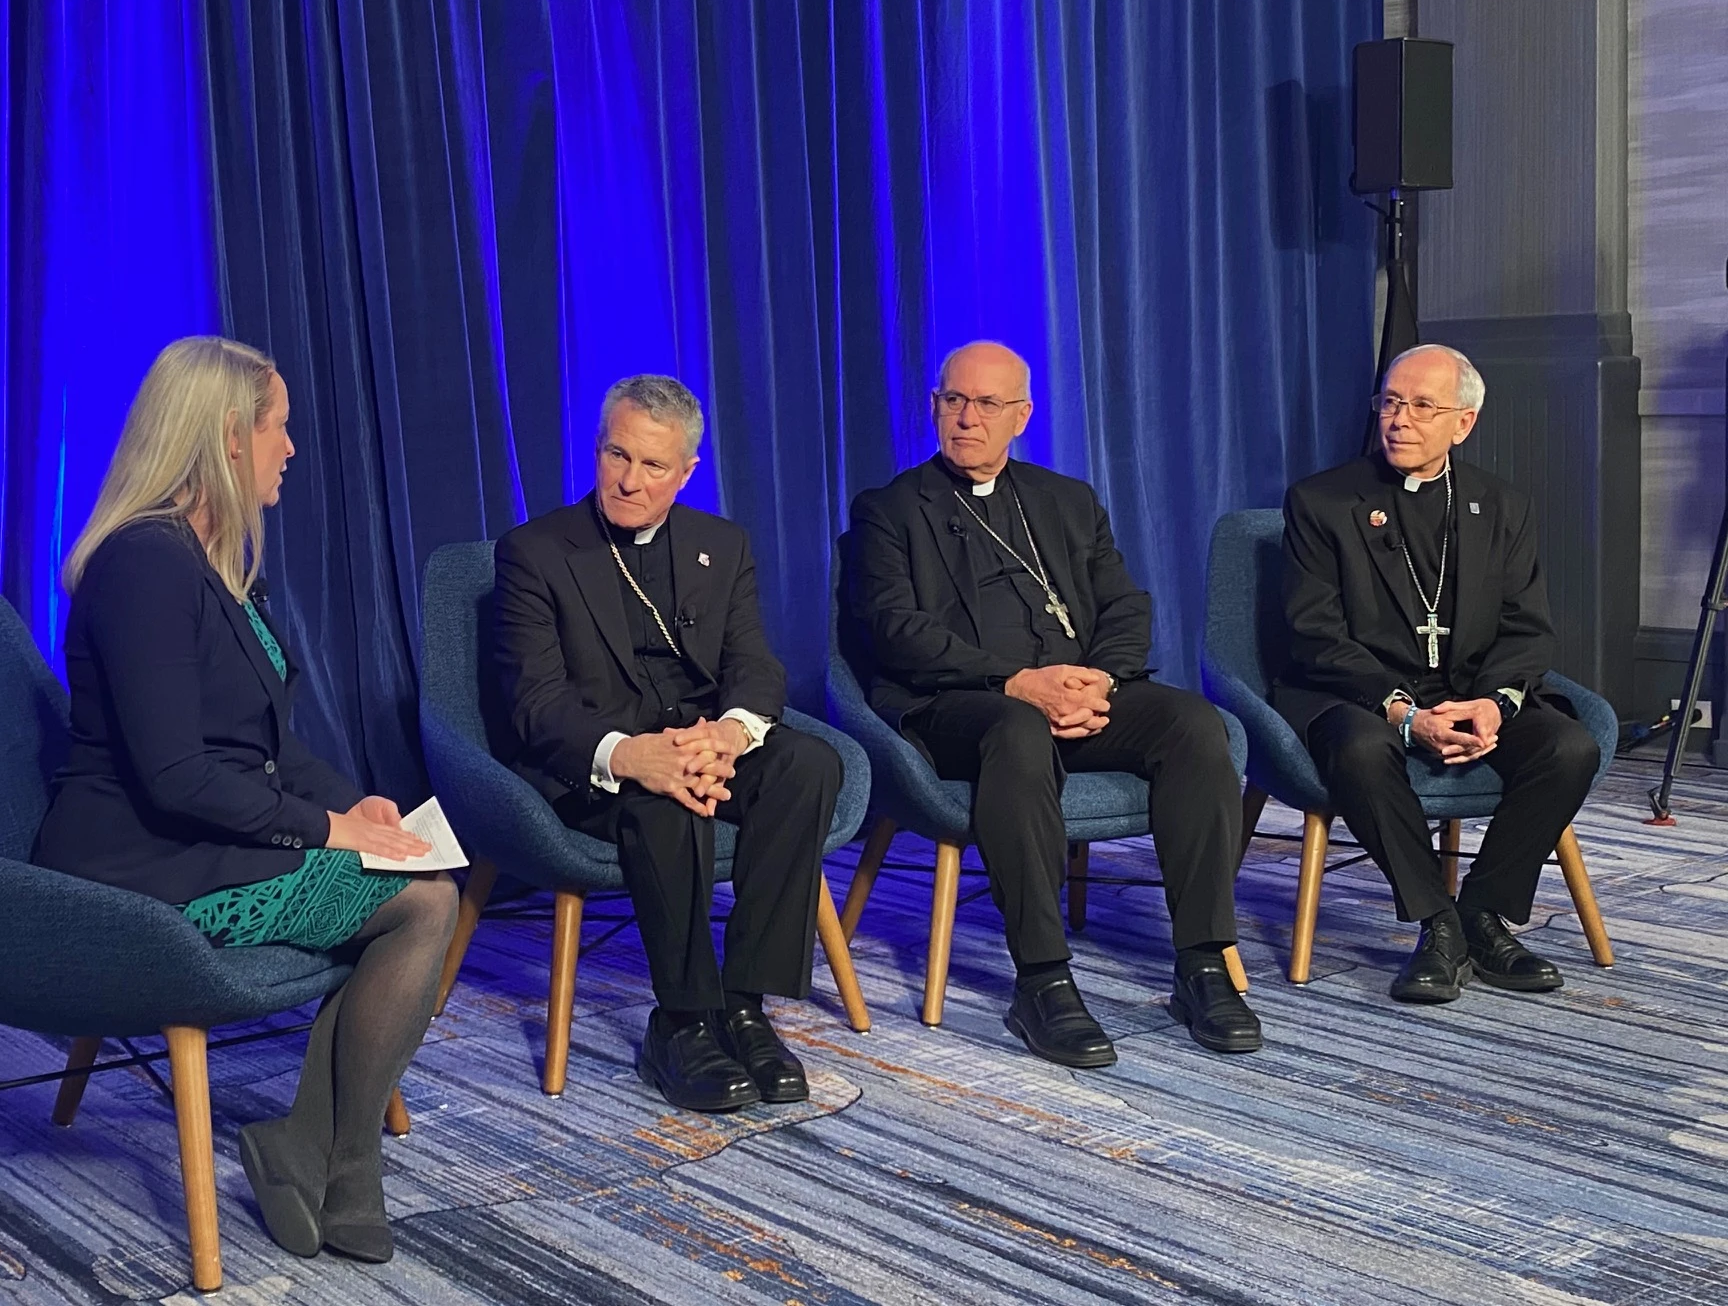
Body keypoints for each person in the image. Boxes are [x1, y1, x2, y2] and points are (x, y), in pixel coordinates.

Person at [32, 336, 456, 1265]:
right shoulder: (143, 565)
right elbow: (175, 776)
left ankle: (327, 1157)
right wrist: (327, 831)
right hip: (138, 861)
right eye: (280, 427)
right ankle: (338, 1159)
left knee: (413, 876)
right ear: (229, 437)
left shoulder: (211, 560)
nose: (292, 447)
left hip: (203, 835)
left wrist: (359, 810)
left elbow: (267, 747)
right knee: (423, 903)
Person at [847, 341, 1260, 1067]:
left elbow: (1125, 606)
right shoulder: (890, 510)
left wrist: (1099, 679)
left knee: (1194, 724)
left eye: (985, 405)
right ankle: (1041, 981)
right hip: (960, 708)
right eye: (952, 400)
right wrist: (1019, 682)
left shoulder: (1067, 500)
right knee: (1016, 727)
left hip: (1076, 696)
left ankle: (1202, 963)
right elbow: (896, 631)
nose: (965, 418)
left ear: (1022, 417)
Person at [491, 376, 840, 1113]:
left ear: (686, 473)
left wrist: (728, 734)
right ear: (598, 449)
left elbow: (753, 662)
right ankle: (680, 1022)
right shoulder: (535, 551)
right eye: (617, 454)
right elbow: (533, 703)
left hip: (699, 745)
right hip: (601, 763)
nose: (628, 479)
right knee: (664, 805)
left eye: (653, 466)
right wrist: (628, 753)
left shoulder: (723, 543)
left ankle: (744, 1005)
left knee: (808, 765)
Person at [1275, 343, 1600, 1004]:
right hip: (1357, 694)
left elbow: (1526, 627)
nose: (1400, 420)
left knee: (1570, 747)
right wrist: (1401, 711)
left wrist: (1494, 706)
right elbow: (1315, 634)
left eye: (1423, 406)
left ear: (1463, 424)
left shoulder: (1501, 506)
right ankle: (1436, 921)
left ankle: (1479, 915)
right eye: (1391, 402)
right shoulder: (1321, 502)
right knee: (1362, 749)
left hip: (1471, 690)